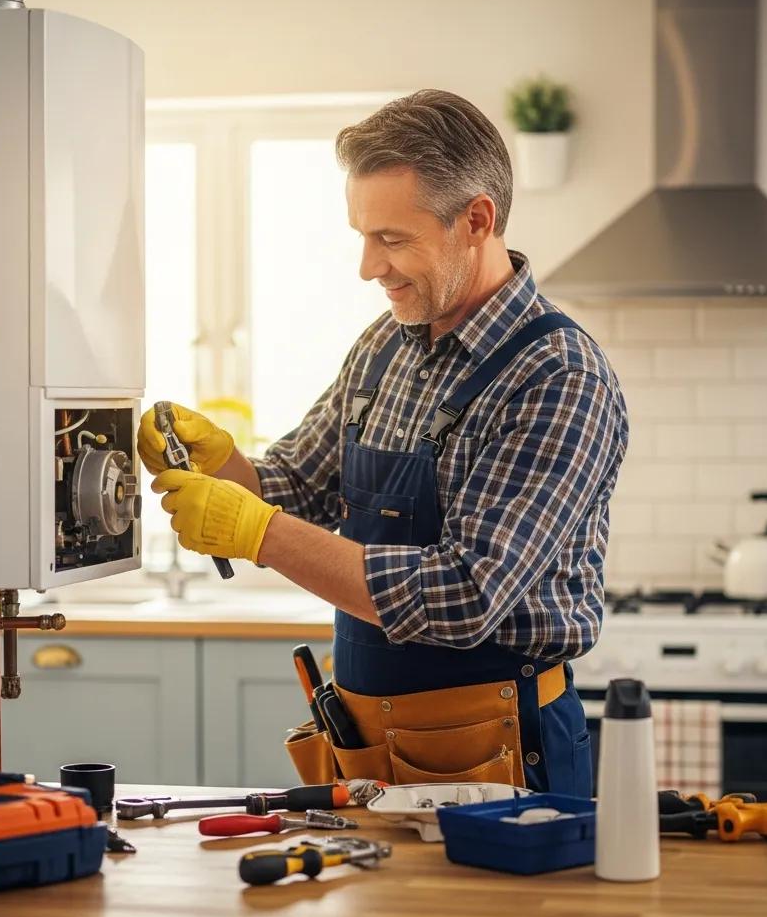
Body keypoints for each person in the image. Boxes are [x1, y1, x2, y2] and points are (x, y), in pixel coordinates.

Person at [138, 89, 628, 794]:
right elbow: (296, 490)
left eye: (392, 239)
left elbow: (469, 594)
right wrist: (226, 466)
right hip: (368, 750)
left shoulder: (558, 376)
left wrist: (260, 535)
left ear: (476, 221)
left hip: (503, 760)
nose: (370, 267)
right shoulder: (385, 344)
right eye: (363, 236)